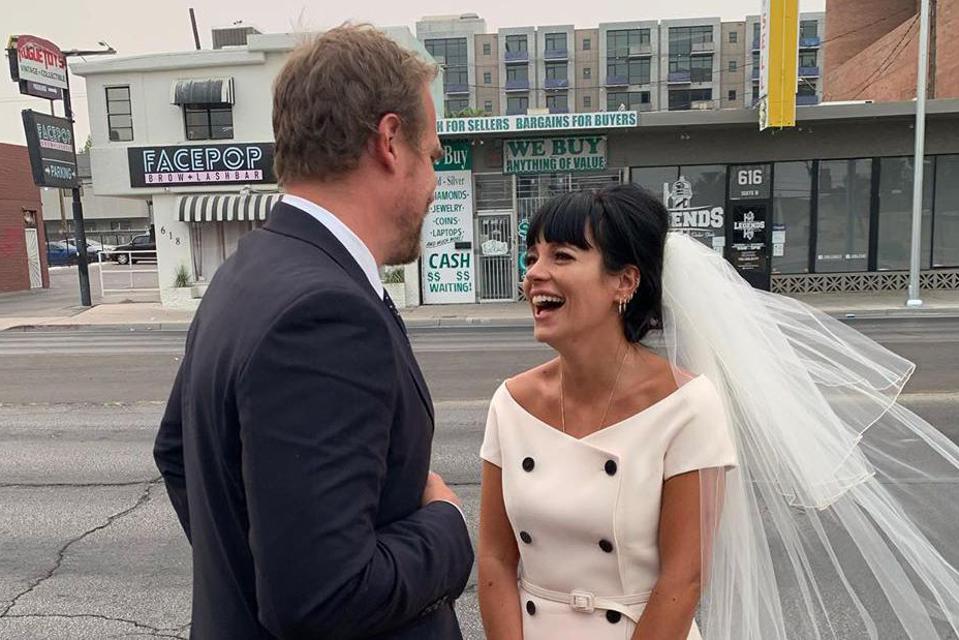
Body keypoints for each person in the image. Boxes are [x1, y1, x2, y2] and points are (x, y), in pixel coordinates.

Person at [478, 183, 959, 640]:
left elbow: (683, 578)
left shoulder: (686, 405)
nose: (534, 273)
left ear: (624, 281)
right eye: (532, 256)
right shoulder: (511, 404)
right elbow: (496, 559)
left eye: (561, 256)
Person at [154, 25, 473, 639]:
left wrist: (250, 580)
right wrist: (447, 526)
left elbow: (176, 451)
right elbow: (326, 598)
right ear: (390, 141)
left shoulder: (247, 269)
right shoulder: (325, 311)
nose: (434, 180)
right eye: (432, 155)